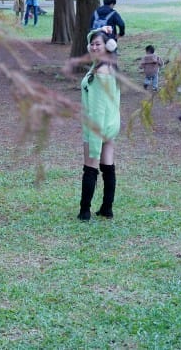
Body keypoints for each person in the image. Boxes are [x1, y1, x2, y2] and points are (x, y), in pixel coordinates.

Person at [77, 28, 121, 221]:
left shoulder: (100, 73)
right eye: (92, 44)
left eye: (98, 44)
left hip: (97, 126)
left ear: (107, 47)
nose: (94, 47)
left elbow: (97, 110)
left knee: (90, 165)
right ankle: (106, 208)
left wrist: (94, 138)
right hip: (111, 125)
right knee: (108, 164)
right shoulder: (110, 66)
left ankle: (84, 211)